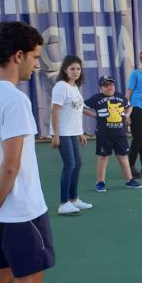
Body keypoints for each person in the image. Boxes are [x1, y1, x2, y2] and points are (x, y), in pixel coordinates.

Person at [0, 20, 89, 283]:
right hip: (19, 213)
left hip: (3, 213)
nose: (37, 65)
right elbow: (11, 165)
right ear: (18, 56)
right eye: (35, 57)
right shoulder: (14, 100)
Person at [49, 55, 92, 215]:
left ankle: (74, 199)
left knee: (77, 164)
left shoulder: (74, 88)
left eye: (78, 69)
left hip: (73, 133)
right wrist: (56, 135)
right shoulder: (61, 86)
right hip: (63, 133)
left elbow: (76, 111)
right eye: (72, 68)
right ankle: (63, 203)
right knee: (70, 165)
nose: (75, 71)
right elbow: (55, 111)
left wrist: (80, 133)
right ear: (65, 70)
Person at [83, 75, 142, 192]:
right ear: (100, 88)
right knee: (103, 157)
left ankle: (129, 180)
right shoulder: (96, 98)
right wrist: (95, 115)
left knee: (123, 156)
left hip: (120, 133)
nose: (109, 87)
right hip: (104, 134)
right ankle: (100, 182)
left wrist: (127, 115)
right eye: (105, 85)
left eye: (111, 84)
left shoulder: (120, 97)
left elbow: (129, 106)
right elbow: (82, 107)